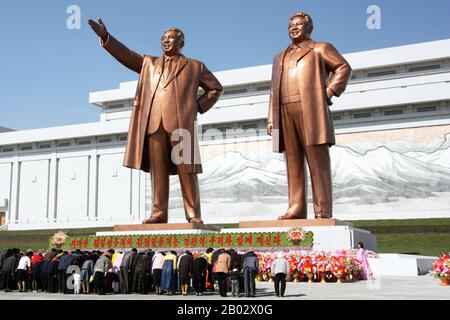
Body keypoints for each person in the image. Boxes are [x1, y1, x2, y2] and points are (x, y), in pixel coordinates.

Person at [88, 18, 223, 224]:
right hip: (154, 124)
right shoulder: (148, 63)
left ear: (181, 43)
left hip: (181, 126)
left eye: (171, 38)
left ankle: (193, 214)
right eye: (163, 38)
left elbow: (215, 88)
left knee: (187, 170)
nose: (166, 41)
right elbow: (126, 55)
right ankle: (159, 213)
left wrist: (196, 107)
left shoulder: (195, 66)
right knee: (157, 171)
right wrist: (106, 37)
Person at [267, 12, 352, 220]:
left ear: (309, 27)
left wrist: (328, 92)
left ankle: (322, 209)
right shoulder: (280, 56)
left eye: (298, 25)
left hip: (311, 109)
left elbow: (343, 67)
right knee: (292, 160)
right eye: (290, 26)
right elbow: (272, 90)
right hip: (284, 110)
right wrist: (271, 117)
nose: (293, 28)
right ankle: (295, 207)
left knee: (317, 160)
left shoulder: (320, 48)